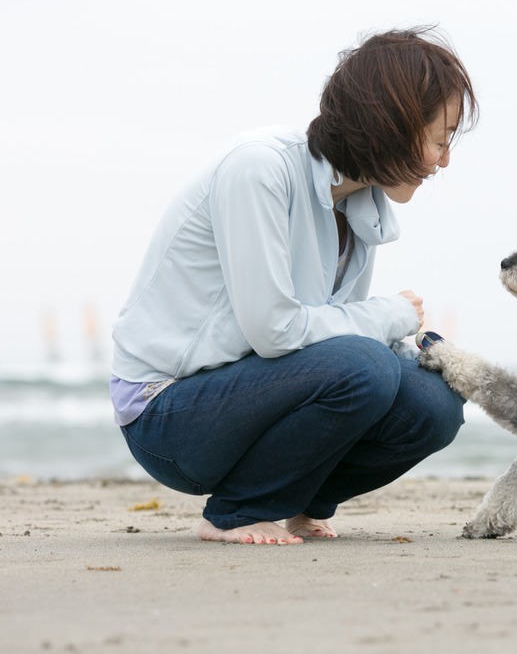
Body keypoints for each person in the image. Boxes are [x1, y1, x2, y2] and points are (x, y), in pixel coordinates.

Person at [109, 27, 477, 545]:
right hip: (168, 415)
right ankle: (237, 512)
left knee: (433, 401)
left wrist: (412, 348)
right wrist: (388, 315)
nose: (444, 161)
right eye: (440, 139)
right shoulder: (260, 167)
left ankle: (298, 500)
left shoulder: (361, 209)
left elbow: (333, 337)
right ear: (391, 124)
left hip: (255, 398)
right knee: (364, 365)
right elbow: (275, 332)